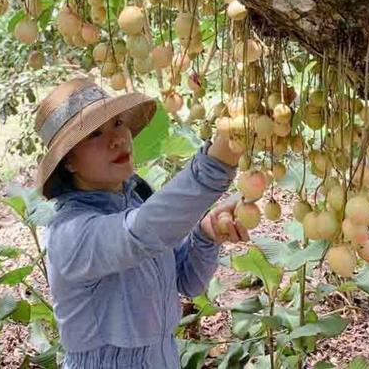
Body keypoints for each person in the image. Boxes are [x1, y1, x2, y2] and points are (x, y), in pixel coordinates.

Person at [34, 75, 248, 369]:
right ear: (68, 162)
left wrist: (205, 235)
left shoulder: (137, 199)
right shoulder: (70, 234)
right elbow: (138, 234)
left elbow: (188, 282)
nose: (117, 139)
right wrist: (216, 164)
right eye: (95, 134)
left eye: (118, 123)